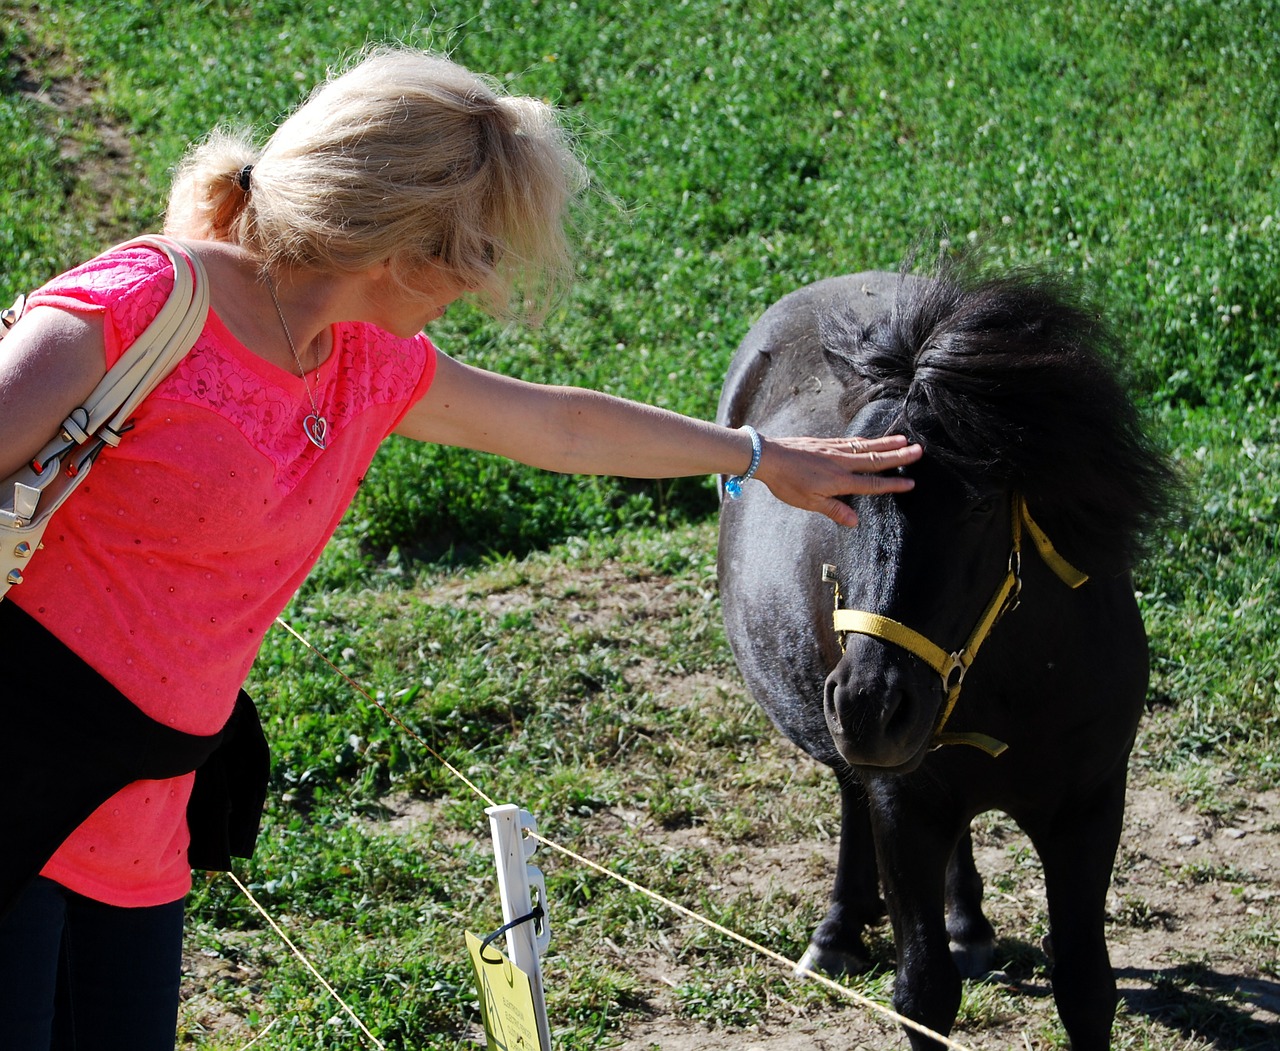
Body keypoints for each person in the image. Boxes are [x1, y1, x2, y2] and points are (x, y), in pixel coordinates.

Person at [0, 46, 921, 1050]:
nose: (484, 280)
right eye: (475, 246)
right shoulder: (146, 303)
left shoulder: (362, 361)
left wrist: (755, 455)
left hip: (139, 822)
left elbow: (556, 427)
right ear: (394, 233)